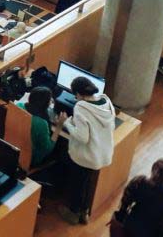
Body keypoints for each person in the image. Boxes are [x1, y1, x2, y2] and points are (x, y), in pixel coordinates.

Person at [57, 76, 116, 225]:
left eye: (75, 94)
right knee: (87, 183)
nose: (75, 97)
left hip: (85, 155)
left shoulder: (81, 107)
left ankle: (73, 213)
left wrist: (67, 123)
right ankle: (85, 212)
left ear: (79, 93)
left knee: (77, 184)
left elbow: (82, 137)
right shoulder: (106, 102)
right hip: (101, 153)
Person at [115, 157, 163, 236]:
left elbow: (124, 204)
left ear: (154, 168)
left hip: (131, 226)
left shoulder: (138, 182)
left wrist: (119, 218)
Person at [18, 86, 62, 168]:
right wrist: (59, 126)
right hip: (30, 159)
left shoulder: (19, 106)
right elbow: (47, 149)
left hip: (13, 146)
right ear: (46, 104)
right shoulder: (41, 123)